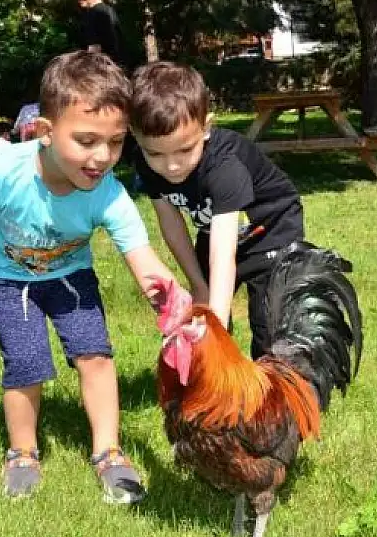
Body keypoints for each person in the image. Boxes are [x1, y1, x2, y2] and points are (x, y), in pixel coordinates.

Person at [0, 51, 175, 503]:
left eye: (114, 142)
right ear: (46, 133)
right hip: (7, 281)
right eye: (86, 141)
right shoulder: (3, 168)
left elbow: (142, 256)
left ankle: (109, 452)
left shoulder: (108, 193)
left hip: (70, 278)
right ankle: (22, 453)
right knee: (27, 363)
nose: (101, 157)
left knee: (96, 357)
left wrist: (170, 299)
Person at [129, 61, 305, 359]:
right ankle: (217, 379)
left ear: (206, 127)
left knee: (269, 324)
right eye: (156, 153)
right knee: (201, 307)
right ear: (135, 135)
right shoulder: (146, 164)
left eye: (185, 150)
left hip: (271, 231)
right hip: (215, 229)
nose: (171, 166)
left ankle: (269, 382)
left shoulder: (225, 168)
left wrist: (217, 324)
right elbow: (171, 223)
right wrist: (198, 285)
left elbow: (224, 253)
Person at [74, 0, 124, 68]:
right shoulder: (109, 10)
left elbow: (94, 51)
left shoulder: (94, 13)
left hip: (101, 71)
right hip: (116, 70)